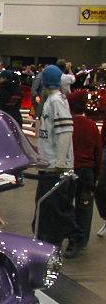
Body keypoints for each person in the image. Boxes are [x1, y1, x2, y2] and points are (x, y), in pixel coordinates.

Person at [33, 64, 80, 250]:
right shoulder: (54, 100)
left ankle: (70, 238)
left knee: (55, 212)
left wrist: (60, 161)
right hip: (50, 164)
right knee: (48, 209)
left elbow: (65, 131)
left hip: (55, 167)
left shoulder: (55, 101)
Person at [66, 90, 102, 256]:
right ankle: (81, 241)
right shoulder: (92, 126)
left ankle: (72, 238)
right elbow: (98, 152)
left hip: (70, 170)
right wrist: (96, 175)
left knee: (67, 205)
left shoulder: (67, 125)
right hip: (87, 172)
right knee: (85, 208)